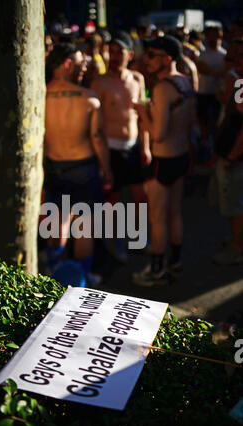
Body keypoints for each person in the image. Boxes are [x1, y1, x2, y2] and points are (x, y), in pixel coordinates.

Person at [42, 43, 113, 284]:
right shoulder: (88, 98)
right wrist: (107, 169)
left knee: (58, 220)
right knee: (84, 224)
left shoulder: (40, 94)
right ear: (67, 63)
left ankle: (54, 271)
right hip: (83, 168)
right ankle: (84, 277)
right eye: (81, 64)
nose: (84, 69)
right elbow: (98, 139)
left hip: (54, 166)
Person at [131, 35, 196, 286]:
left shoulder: (163, 88)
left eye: (151, 55)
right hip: (180, 156)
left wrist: (142, 112)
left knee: (157, 217)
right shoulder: (186, 82)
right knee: (175, 212)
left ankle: (156, 269)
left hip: (163, 159)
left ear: (167, 59)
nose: (146, 60)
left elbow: (157, 133)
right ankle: (175, 262)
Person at [90, 30, 151, 263]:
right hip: (110, 149)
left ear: (130, 55)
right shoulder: (100, 82)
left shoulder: (138, 80)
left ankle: (139, 239)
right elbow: (93, 122)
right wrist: (98, 155)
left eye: (119, 52)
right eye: (111, 52)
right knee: (112, 202)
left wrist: (145, 147)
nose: (114, 56)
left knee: (140, 197)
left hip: (133, 146)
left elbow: (142, 116)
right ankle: (115, 243)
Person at [209, 38, 243, 265]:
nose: (235, 61)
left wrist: (232, 155)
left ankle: (237, 248)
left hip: (236, 157)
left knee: (235, 204)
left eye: (240, 57)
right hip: (230, 154)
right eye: (234, 56)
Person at [196, 26, 227, 162]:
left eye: (213, 35)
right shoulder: (203, 53)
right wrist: (219, 73)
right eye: (208, 35)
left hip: (217, 94)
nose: (210, 38)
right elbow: (202, 68)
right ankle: (204, 148)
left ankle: (214, 150)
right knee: (203, 121)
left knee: (216, 122)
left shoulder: (225, 54)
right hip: (204, 92)